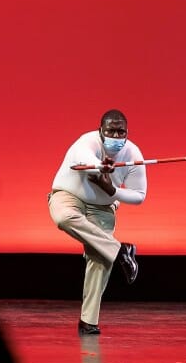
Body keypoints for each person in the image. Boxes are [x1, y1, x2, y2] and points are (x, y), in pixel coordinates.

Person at [49, 109, 143, 335]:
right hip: (68, 196)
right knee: (63, 218)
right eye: (111, 130)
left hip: (103, 207)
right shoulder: (87, 141)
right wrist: (101, 166)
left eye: (121, 131)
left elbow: (139, 195)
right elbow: (84, 158)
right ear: (101, 130)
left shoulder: (133, 153)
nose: (116, 135)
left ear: (127, 133)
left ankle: (88, 321)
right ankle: (121, 251)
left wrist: (112, 190)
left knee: (100, 256)